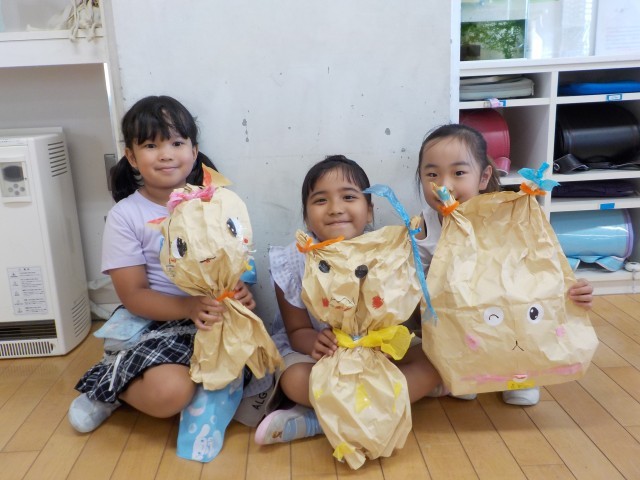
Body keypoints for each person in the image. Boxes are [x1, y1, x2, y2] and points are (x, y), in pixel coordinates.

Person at [68, 95, 256, 433]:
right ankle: (109, 384)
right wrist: (188, 306)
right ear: (131, 156)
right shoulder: (126, 215)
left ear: (194, 151)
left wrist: (238, 290)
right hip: (156, 319)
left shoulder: (216, 202)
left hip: (212, 316)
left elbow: (234, 261)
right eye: (151, 145)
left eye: (177, 143)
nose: (166, 154)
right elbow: (134, 295)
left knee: (258, 369)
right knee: (171, 393)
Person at [254, 155, 446, 445]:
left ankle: (324, 419)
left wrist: (381, 343)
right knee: (293, 380)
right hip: (321, 356)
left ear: (369, 211)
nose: (335, 208)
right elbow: (296, 330)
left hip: (376, 349)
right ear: (306, 216)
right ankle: (375, 408)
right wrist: (314, 342)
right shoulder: (294, 260)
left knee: (434, 361)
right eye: (321, 200)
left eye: (348, 197)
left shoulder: (385, 252)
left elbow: (398, 315)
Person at [413, 123, 594, 406]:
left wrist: (574, 290)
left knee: (522, 313)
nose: (444, 185)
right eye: (432, 174)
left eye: (459, 173)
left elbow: (541, 268)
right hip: (461, 319)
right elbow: (417, 275)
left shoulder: (507, 216)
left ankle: (523, 374)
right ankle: (468, 372)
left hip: (511, 313)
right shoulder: (424, 223)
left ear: (484, 177)